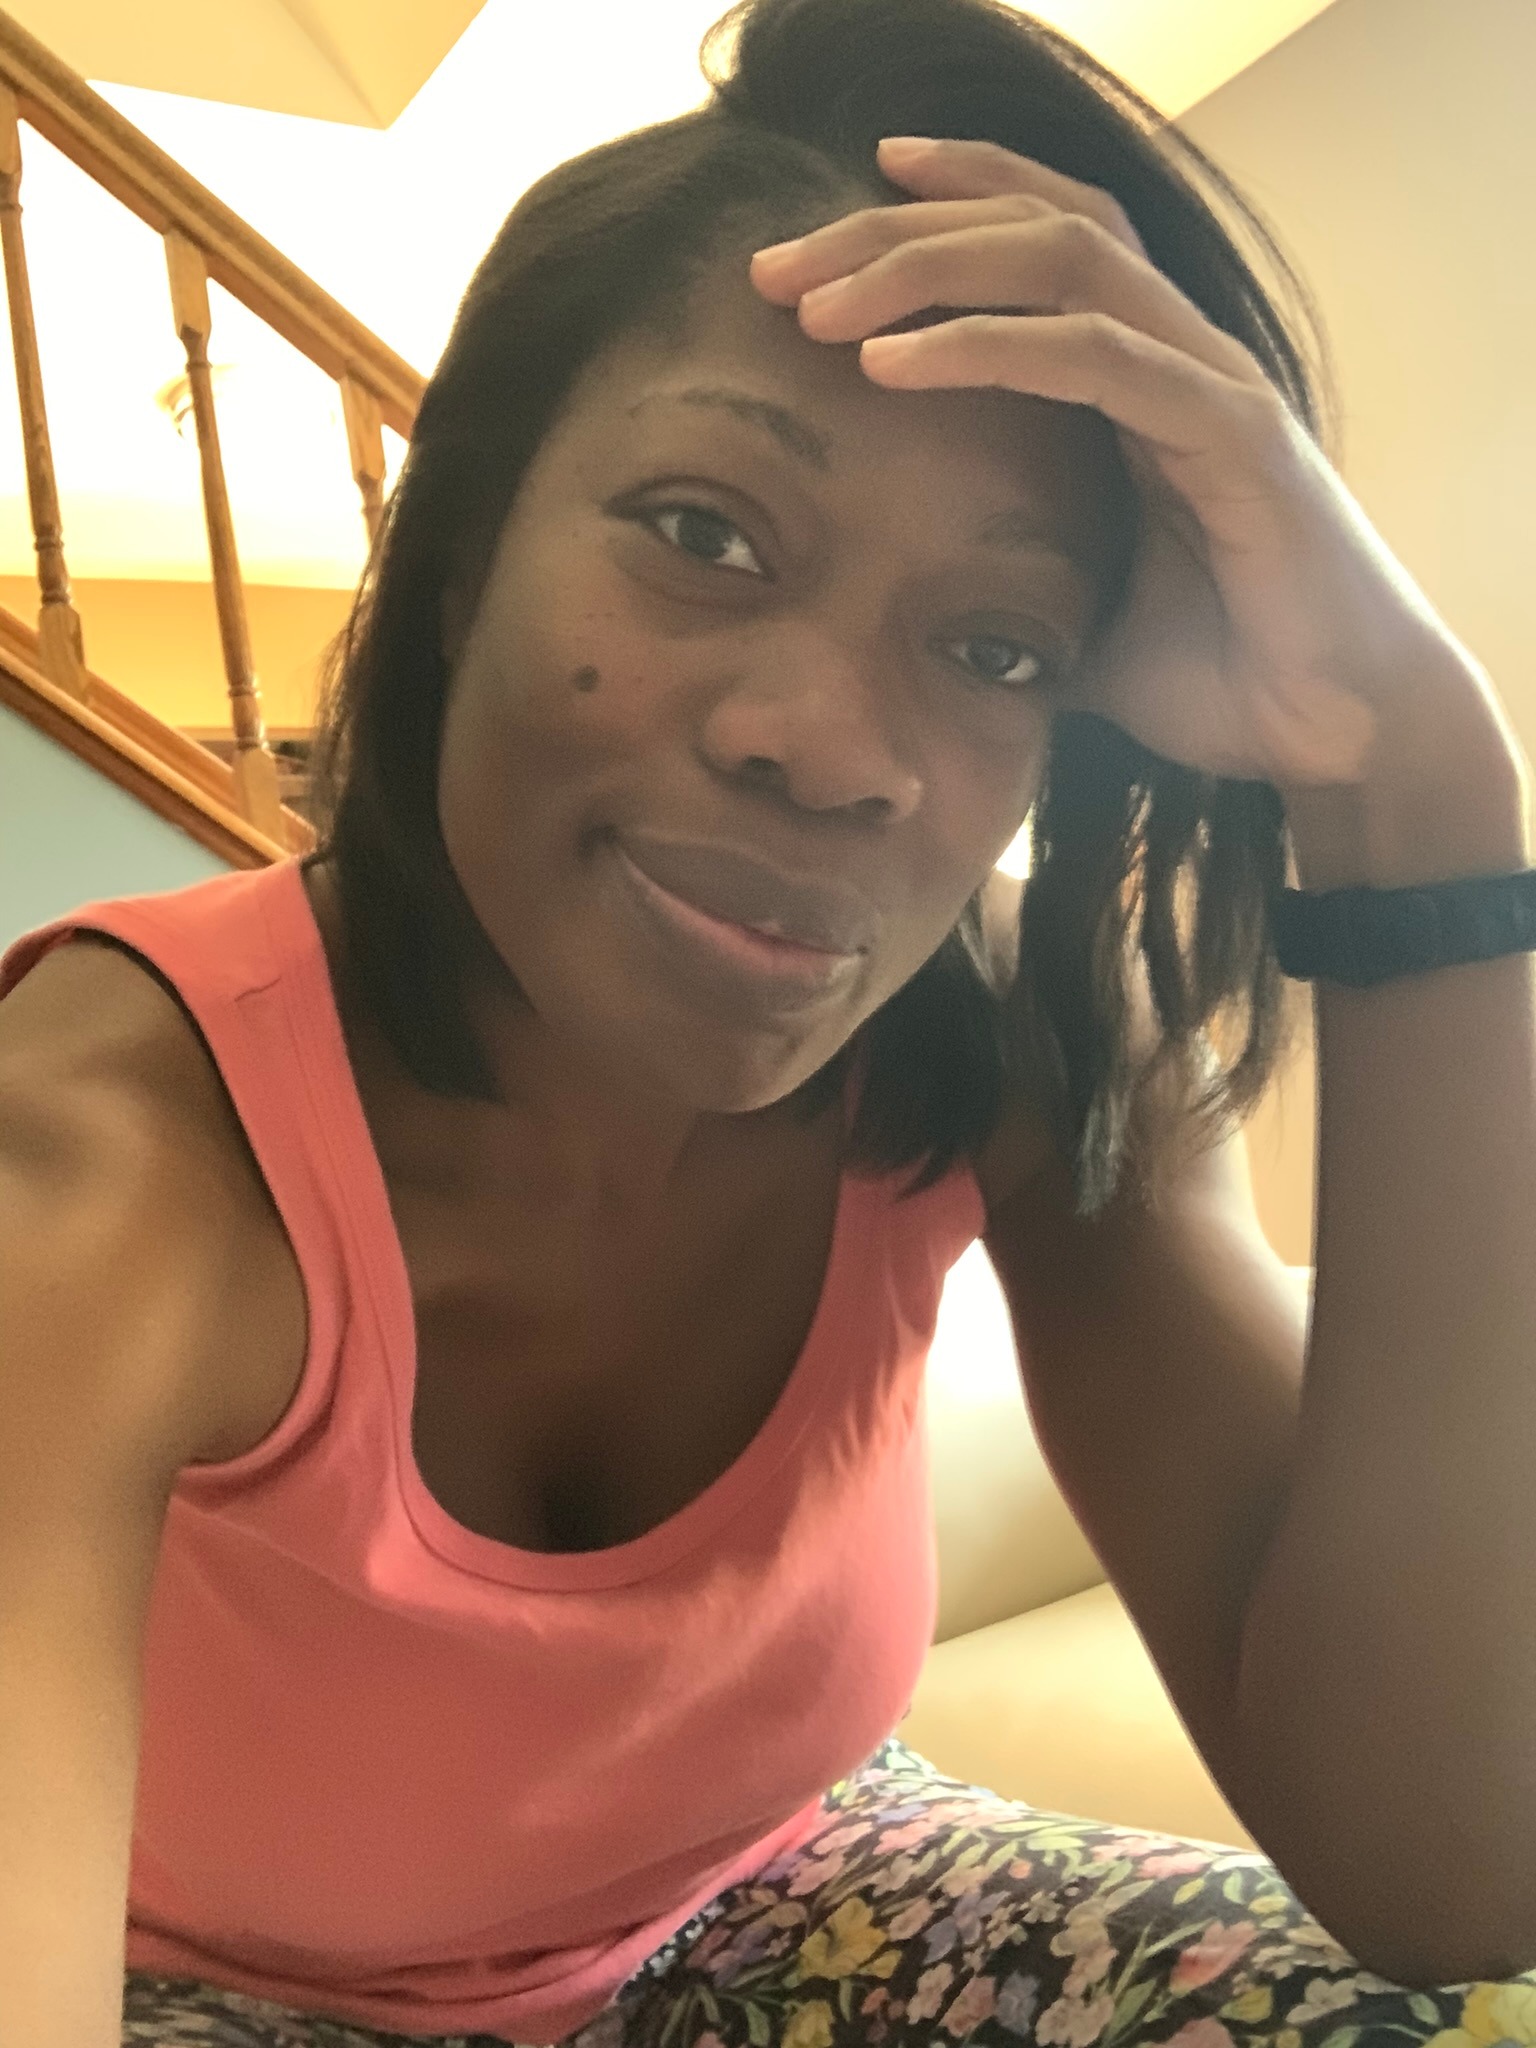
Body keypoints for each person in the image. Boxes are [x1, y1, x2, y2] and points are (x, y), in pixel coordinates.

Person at [2, 0, 1534, 2041]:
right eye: (704, 533)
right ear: (458, 559)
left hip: (760, 1890)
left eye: (995, 645)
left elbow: (1445, 1860)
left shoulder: (1028, 1040)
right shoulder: (97, 1168)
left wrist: (1419, 782)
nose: (833, 750)